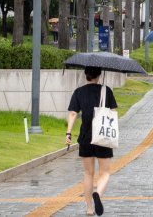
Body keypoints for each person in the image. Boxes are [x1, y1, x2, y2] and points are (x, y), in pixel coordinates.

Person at [66, 66, 117, 216]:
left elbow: (73, 113)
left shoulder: (79, 92)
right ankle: (98, 194)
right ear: (99, 75)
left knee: (88, 174)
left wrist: (68, 133)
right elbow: (113, 112)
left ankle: (89, 209)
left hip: (86, 137)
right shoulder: (106, 91)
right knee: (105, 172)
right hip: (103, 136)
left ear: (85, 75)